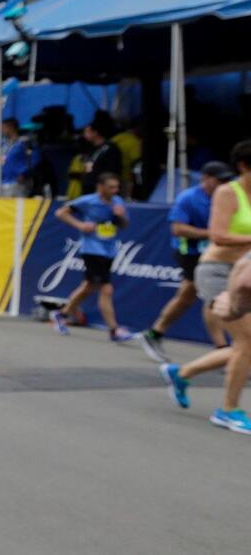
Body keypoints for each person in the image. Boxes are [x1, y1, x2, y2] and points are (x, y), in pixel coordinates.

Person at [158, 140, 251, 434]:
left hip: (245, 273)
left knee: (246, 345)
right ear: (244, 166)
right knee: (246, 342)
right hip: (218, 272)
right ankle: (228, 410)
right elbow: (218, 235)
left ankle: (182, 373)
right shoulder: (228, 192)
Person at [136, 161, 236, 362]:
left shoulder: (228, 196)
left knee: (187, 296)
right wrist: (210, 233)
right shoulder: (188, 198)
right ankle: (222, 348)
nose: (224, 183)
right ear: (206, 179)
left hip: (218, 252)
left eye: (227, 180)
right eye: (220, 180)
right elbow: (178, 229)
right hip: (189, 252)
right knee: (213, 298)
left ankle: (154, 333)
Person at [50, 173, 135, 342]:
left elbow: (124, 225)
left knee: (88, 287)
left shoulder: (118, 202)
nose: (115, 190)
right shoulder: (87, 201)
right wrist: (80, 224)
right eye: (111, 187)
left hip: (109, 249)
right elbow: (61, 212)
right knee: (106, 289)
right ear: (100, 187)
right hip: (91, 249)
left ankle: (62, 314)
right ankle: (114, 330)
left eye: (116, 187)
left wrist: (120, 216)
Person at [81, 114, 122, 191]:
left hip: (103, 190)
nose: (84, 135)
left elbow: (113, 170)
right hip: (88, 186)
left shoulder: (110, 148)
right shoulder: (90, 148)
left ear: (95, 132)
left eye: (87, 132)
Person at [0, 118, 31, 197]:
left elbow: (33, 159)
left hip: (17, 183)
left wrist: (23, 174)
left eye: (3, 128)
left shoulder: (23, 142)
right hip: (3, 182)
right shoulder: (4, 144)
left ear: (11, 127)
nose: (2, 130)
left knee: (17, 207)